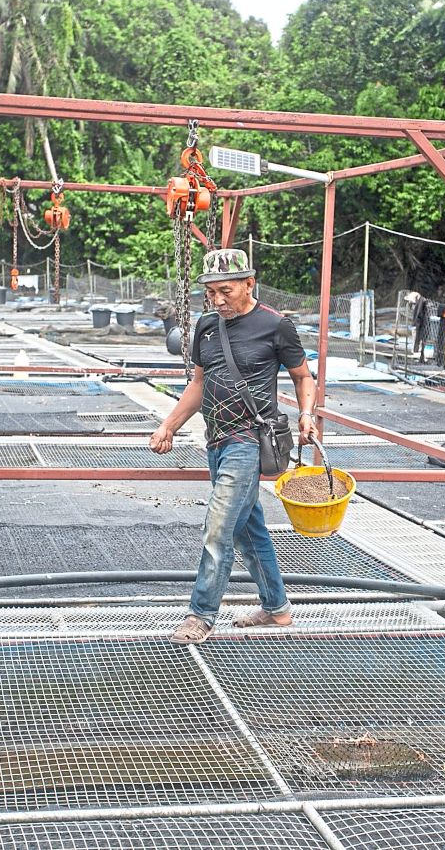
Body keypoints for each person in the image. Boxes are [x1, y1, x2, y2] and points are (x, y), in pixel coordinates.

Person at [149, 248, 318, 644]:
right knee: (248, 529)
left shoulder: (277, 326)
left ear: (248, 284)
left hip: (249, 441)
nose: (218, 300)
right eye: (210, 293)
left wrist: (307, 414)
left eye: (226, 291)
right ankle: (277, 609)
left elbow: (302, 376)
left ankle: (201, 614)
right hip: (216, 442)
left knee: (218, 528)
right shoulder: (208, 327)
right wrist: (169, 426)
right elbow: (199, 384)